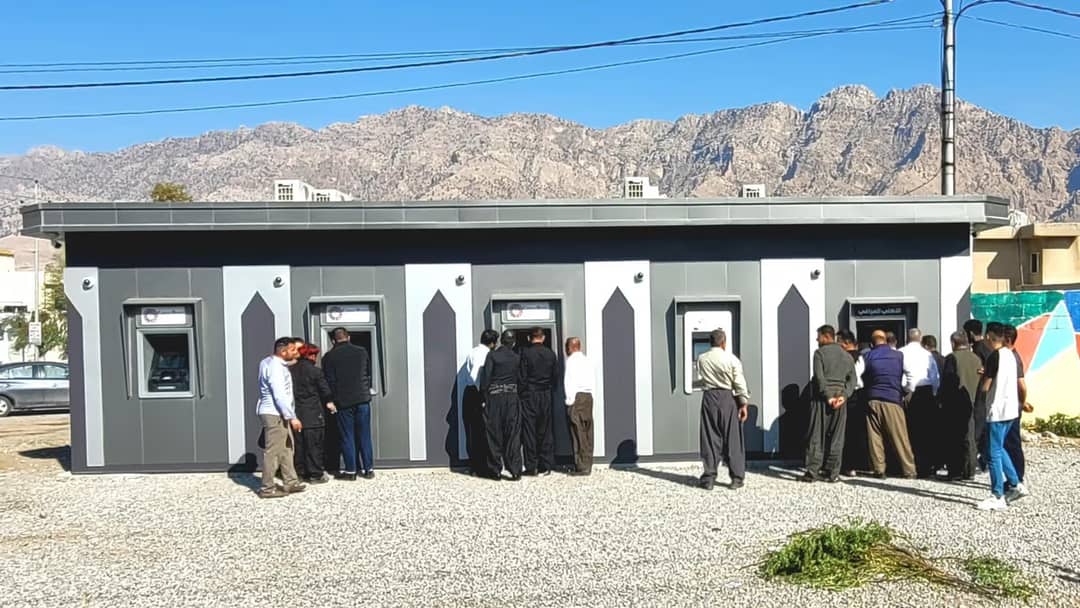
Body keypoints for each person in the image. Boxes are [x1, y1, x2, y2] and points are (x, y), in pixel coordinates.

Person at [976, 326, 1030, 510]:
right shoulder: (1011, 355)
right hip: (1011, 409)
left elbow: (986, 386)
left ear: (990, 337)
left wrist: (983, 379)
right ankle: (1015, 484)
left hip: (997, 410)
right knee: (1000, 448)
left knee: (992, 454)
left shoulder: (994, 356)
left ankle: (997, 495)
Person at [695, 328, 750, 490]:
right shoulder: (732, 359)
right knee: (733, 438)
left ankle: (709, 478)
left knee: (710, 437)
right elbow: (739, 382)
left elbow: (700, 378)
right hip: (727, 398)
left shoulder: (702, 358)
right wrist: (743, 403)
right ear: (724, 342)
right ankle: (736, 478)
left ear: (710, 342)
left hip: (709, 397)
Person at [801, 325, 856, 483]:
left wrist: (827, 396)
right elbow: (853, 380)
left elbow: (819, 377)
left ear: (826, 336)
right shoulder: (847, 356)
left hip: (821, 400)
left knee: (816, 435)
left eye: (818, 336)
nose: (817, 339)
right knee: (837, 437)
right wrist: (844, 395)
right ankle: (832, 473)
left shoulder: (819, 353)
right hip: (840, 400)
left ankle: (812, 471)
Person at [256, 337, 306, 499]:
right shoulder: (276, 368)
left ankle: (291, 481)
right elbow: (279, 395)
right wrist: (292, 417)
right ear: (283, 352)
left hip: (278, 412)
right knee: (273, 452)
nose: (296, 352)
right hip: (275, 413)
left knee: (287, 448)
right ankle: (267, 488)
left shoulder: (268, 362)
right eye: (293, 350)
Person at [862, 329, 916, 479]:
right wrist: (905, 390)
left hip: (873, 399)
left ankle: (879, 469)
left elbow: (857, 377)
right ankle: (909, 470)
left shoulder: (867, 356)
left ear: (872, 344)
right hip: (892, 398)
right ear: (886, 341)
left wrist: (867, 388)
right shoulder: (899, 355)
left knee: (874, 437)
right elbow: (911, 377)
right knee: (900, 436)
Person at [322, 327, 374, 481]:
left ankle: (351, 471)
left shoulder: (329, 357)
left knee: (347, 436)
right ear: (348, 337)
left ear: (333, 340)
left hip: (343, 401)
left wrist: (331, 399)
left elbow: (330, 380)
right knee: (364, 435)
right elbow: (368, 373)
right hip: (363, 399)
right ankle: (369, 469)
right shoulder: (362, 352)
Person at [289, 343, 336, 483]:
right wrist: (330, 401)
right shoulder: (315, 371)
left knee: (299, 445)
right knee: (314, 445)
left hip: (296, 413)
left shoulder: (290, 370)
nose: (315, 357)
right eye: (314, 354)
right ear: (309, 355)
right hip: (313, 412)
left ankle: (300, 473)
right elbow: (325, 390)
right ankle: (315, 474)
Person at [482, 330, 523, 481]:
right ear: (513, 343)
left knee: (494, 433)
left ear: (501, 341)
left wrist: (484, 398)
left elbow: (486, 379)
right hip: (511, 397)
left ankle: (495, 470)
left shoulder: (492, 356)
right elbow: (521, 379)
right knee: (513, 434)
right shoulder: (517, 358)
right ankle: (515, 469)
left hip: (494, 397)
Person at [939, 331, 981, 481]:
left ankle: (955, 471)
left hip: (955, 402)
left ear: (953, 343)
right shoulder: (976, 358)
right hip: (973, 401)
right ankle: (970, 470)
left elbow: (948, 381)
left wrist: (941, 400)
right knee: (969, 436)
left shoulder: (952, 358)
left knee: (954, 437)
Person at [900, 328, 941, 478]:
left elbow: (901, 376)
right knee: (927, 430)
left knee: (911, 430)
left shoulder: (901, 353)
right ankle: (927, 466)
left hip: (910, 393)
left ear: (907, 337)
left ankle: (913, 464)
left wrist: (905, 389)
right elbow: (935, 377)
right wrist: (934, 393)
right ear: (920, 338)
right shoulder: (927, 354)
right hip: (927, 392)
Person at [519, 327, 559, 476]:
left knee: (529, 430)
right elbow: (556, 376)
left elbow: (522, 376)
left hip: (530, 394)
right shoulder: (550, 354)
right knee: (545, 430)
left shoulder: (525, 353)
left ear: (529, 338)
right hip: (545, 394)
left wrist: (522, 392)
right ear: (543, 338)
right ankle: (546, 464)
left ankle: (531, 466)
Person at [464, 330, 498, 476]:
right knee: (482, 431)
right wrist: (483, 395)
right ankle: (482, 466)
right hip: (479, 393)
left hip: (469, 392)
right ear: (492, 343)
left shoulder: (472, 351)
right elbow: (476, 374)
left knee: (472, 431)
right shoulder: (485, 354)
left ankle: (474, 465)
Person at [1002, 324, 1032, 488]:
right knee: (1008, 442)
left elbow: (1022, 385)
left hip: (1013, 406)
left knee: (1012, 442)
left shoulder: (1013, 358)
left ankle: (1017, 477)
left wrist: (1021, 402)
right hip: (1011, 404)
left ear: (1007, 339)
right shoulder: (1009, 356)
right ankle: (1013, 476)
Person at [562, 336, 595, 476]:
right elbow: (593, 380)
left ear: (570, 347)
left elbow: (569, 382)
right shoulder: (587, 360)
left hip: (577, 398)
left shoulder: (571, 361)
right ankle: (588, 463)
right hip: (588, 397)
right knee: (588, 431)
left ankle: (581, 466)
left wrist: (569, 402)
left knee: (577, 432)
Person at [838, 330, 868, 477]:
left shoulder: (844, 358)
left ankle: (847, 464)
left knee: (846, 431)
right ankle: (856, 464)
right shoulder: (860, 357)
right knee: (856, 431)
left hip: (848, 394)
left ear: (846, 343)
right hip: (857, 395)